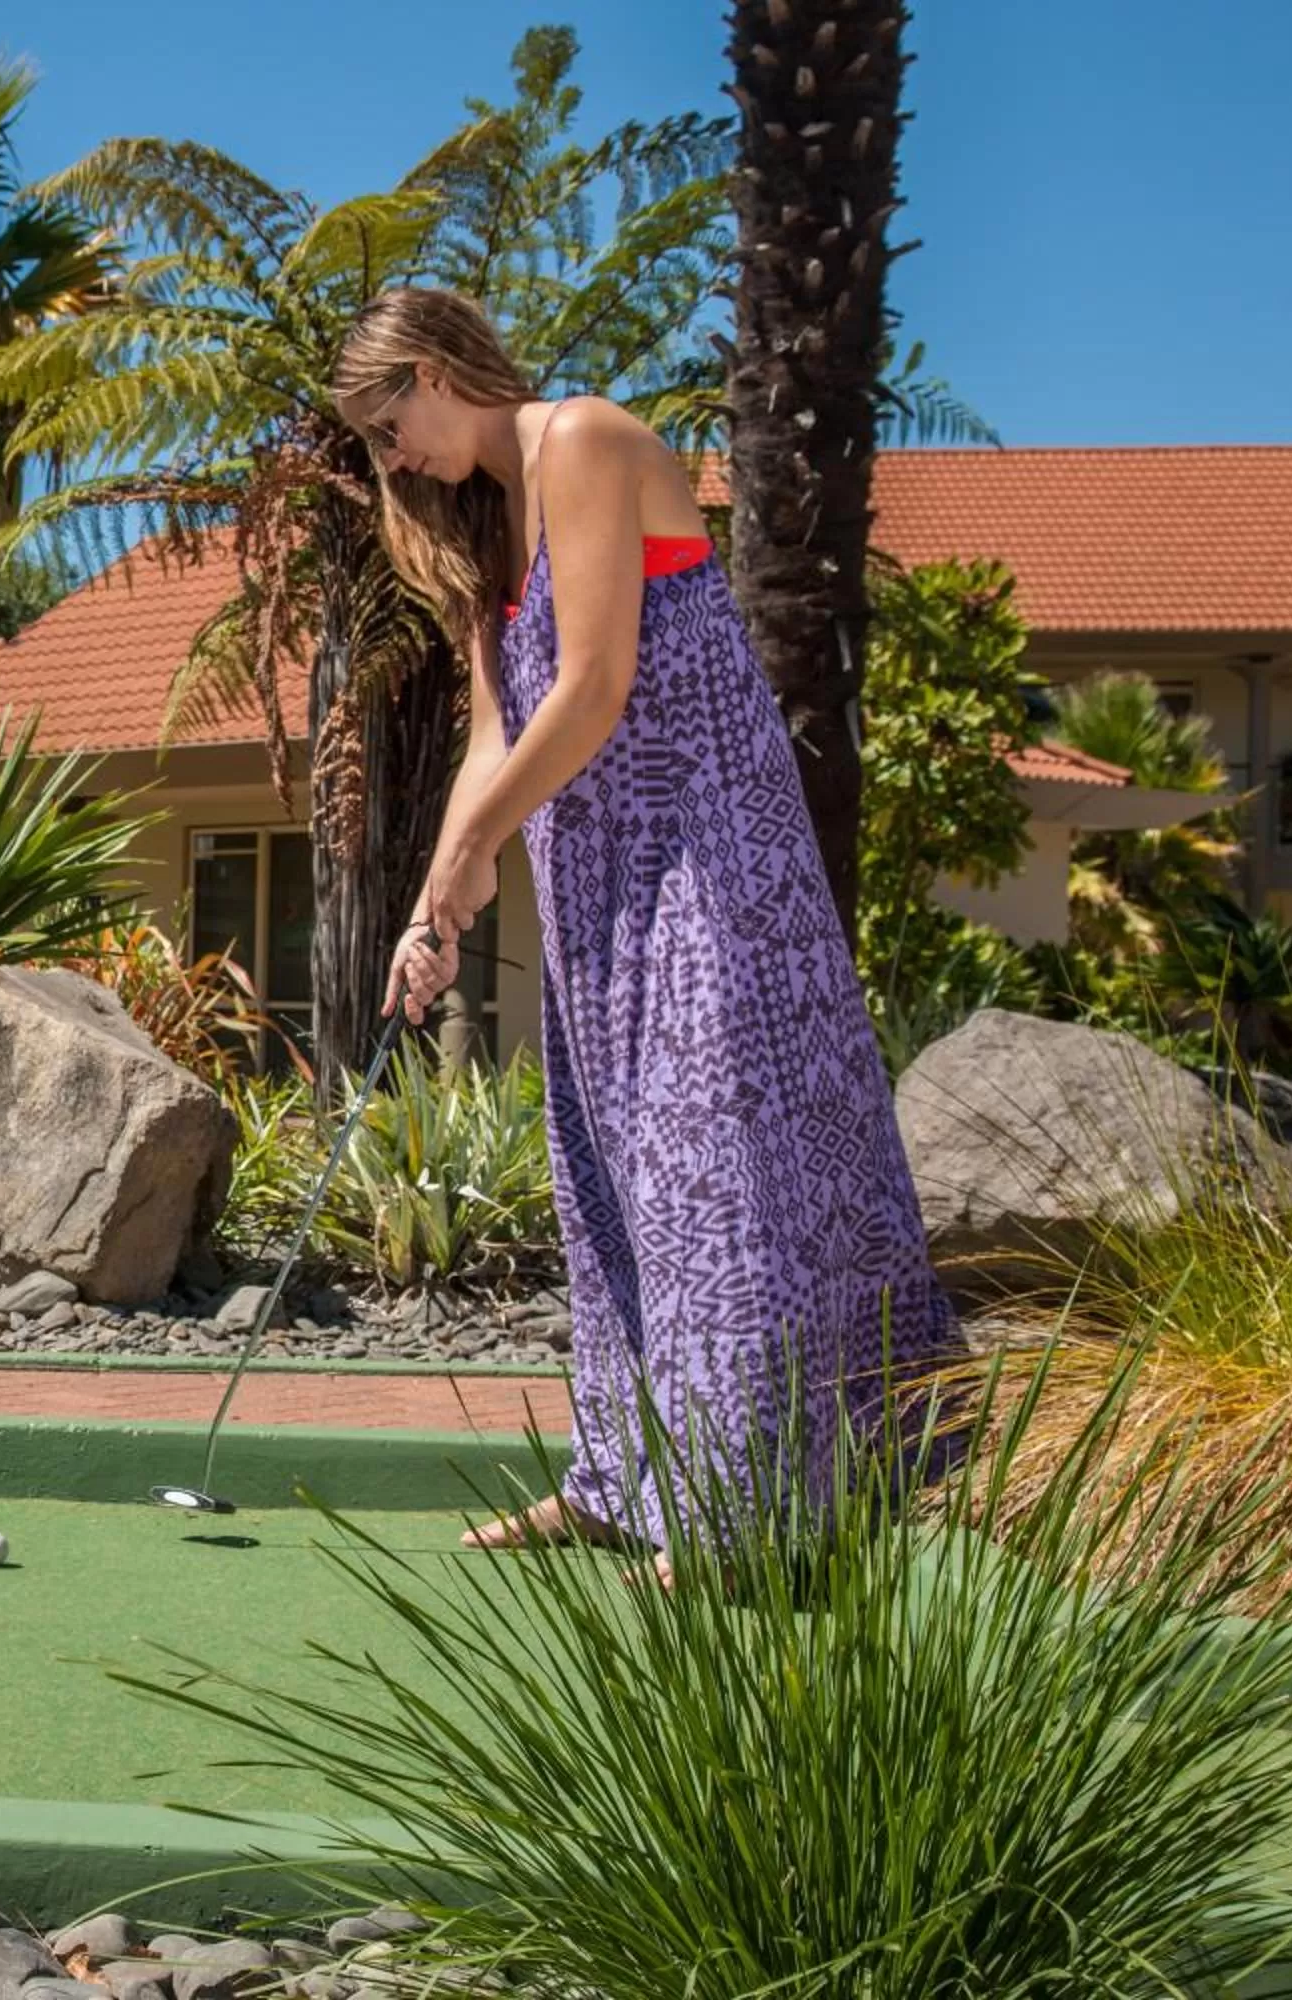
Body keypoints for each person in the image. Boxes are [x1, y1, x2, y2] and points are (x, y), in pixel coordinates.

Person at [333, 287, 960, 1578]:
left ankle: (750, 1509)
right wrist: (437, 899)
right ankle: (624, 1477)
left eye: (391, 424)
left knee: (713, 1167)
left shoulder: (588, 439)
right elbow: (501, 732)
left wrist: (469, 847)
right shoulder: (478, 530)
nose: (393, 459)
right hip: (595, 862)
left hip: (706, 848)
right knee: (611, 1167)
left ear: (443, 369)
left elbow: (598, 687)